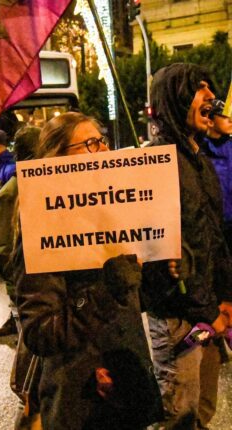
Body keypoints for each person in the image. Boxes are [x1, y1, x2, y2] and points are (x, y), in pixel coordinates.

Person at [15, 112, 163, 430]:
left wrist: (161, 273)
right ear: (57, 159)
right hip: (81, 404)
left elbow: (134, 304)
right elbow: (40, 332)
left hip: (128, 392)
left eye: (102, 141)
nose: (103, 152)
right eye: (90, 143)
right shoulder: (41, 231)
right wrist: (103, 292)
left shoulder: (118, 217)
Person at [142, 64, 232, 429]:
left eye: (210, 88)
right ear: (175, 99)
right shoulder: (154, 163)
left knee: (203, 408)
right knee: (179, 412)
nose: (211, 97)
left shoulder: (200, 161)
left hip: (209, 310)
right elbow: (166, 254)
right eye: (199, 88)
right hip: (180, 318)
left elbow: (212, 239)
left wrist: (224, 296)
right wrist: (206, 310)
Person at [0, 126, 40, 337]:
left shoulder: (39, 185)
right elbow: (2, 250)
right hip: (26, 290)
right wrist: (24, 279)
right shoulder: (10, 194)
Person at [201, 98, 232, 245]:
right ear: (211, 122)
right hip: (212, 227)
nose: (230, 120)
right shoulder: (200, 151)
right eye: (225, 117)